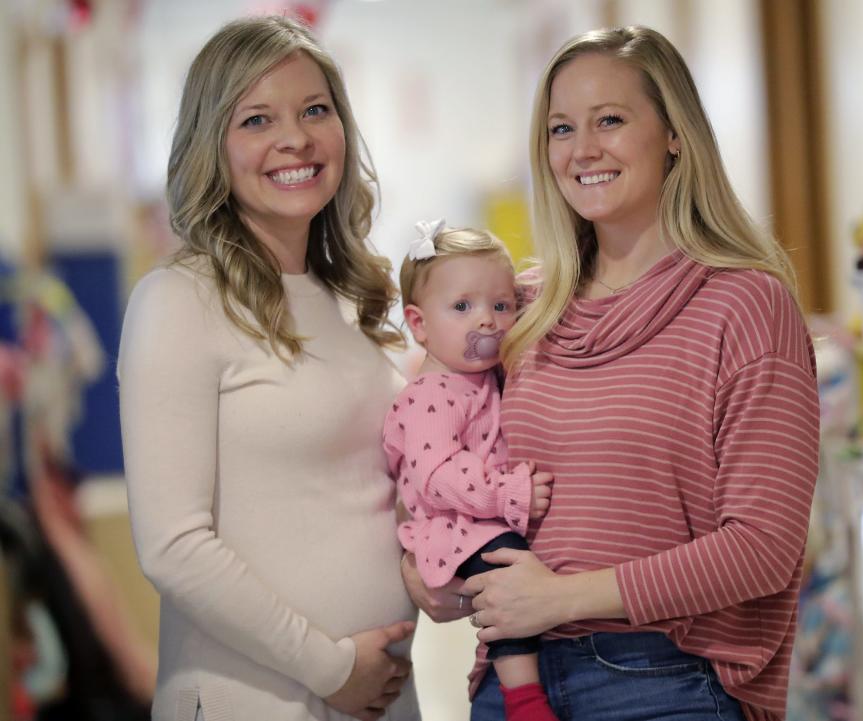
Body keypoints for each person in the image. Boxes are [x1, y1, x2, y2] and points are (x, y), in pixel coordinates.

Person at [401, 25, 820, 721]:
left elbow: (764, 546)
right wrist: (424, 571)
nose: (583, 149)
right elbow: (423, 444)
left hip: (666, 680)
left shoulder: (744, 304)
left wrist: (565, 596)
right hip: (511, 678)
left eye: (611, 120)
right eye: (562, 128)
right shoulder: (521, 312)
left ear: (675, 134)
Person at [118, 16, 420, 721]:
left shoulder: (347, 298)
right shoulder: (178, 300)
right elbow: (173, 546)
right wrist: (331, 665)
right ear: (211, 146)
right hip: (256, 699)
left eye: (315, 110)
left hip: (379, 697)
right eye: (257, 119)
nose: (295, 138)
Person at [383, 220, 559, 721]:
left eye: (499, 306)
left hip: (481, 517)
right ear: (418, 324)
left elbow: (533, 296)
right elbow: (439, 474)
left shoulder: (481, 377)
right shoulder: (429, 395)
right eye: (462, 307)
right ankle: (522, 698)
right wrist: (508, 493)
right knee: (509, 577)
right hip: (459, 525)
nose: (487, 321)